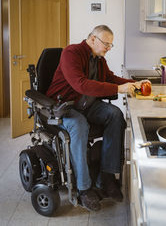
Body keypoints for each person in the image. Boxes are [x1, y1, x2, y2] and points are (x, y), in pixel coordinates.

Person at [46, 25, 145, 211]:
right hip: (64, 106)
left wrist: (134, 83)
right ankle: (83, 189)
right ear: (92, 39)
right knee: (80, 125)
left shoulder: (99, 60)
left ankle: (106, 178)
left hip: (86, 104)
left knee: (115, 115)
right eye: (106, 43)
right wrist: (118, 89)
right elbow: (81, 85)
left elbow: (110, 78)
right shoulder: (71, 53)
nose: (108, 48)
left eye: (111, 45)